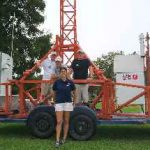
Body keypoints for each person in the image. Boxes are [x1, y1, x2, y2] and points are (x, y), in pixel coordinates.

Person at [52, 67, 76, 148]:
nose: (63, 73)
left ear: (66, 73)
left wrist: (74, 102)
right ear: (60, 73)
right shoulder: (57, 82)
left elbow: (74, 92)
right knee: (59, 121)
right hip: (59, 103)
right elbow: (54, 93)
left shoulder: (70, 82)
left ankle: (64, 138)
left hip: (68, 103)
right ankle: (57, 140)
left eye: (64, 71)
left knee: (66, 121)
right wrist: (54, 101)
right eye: (61, 71)